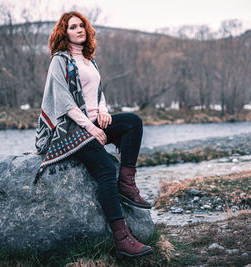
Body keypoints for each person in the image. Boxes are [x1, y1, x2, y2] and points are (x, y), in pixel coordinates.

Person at [34, 11, 153, 259]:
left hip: (93, 121)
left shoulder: (90, 61)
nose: (79, 30)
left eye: (82, 26)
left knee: (133, 122)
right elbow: (65, 103)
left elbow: (98, 93)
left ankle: (127, 184)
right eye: (72, 27)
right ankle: (122, 239)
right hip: (70, 128)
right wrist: (92, 127)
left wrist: (104, 112)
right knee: (106, 170)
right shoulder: (60, 60)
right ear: (63, 33)